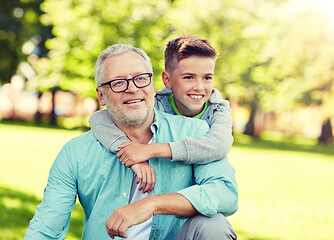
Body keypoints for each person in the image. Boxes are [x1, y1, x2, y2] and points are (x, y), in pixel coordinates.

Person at [24, 43, 238, 239]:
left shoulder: (196, 131)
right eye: (118, 82)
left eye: (140, 78)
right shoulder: (76, 152)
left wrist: (152, 204)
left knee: (213, 225)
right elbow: (46, 228)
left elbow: (225, 194)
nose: (132, 88)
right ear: (101, 96)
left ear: (153, 84)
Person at [89, 35, 233, 193]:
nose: (199, 87)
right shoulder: (156, 102)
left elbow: (220, 145)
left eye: (207, 77)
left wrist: (150, 150)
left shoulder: (218, 110)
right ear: (167, 80)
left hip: (201, 185)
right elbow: (99, 119)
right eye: (189, 77)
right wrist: (131, 155)